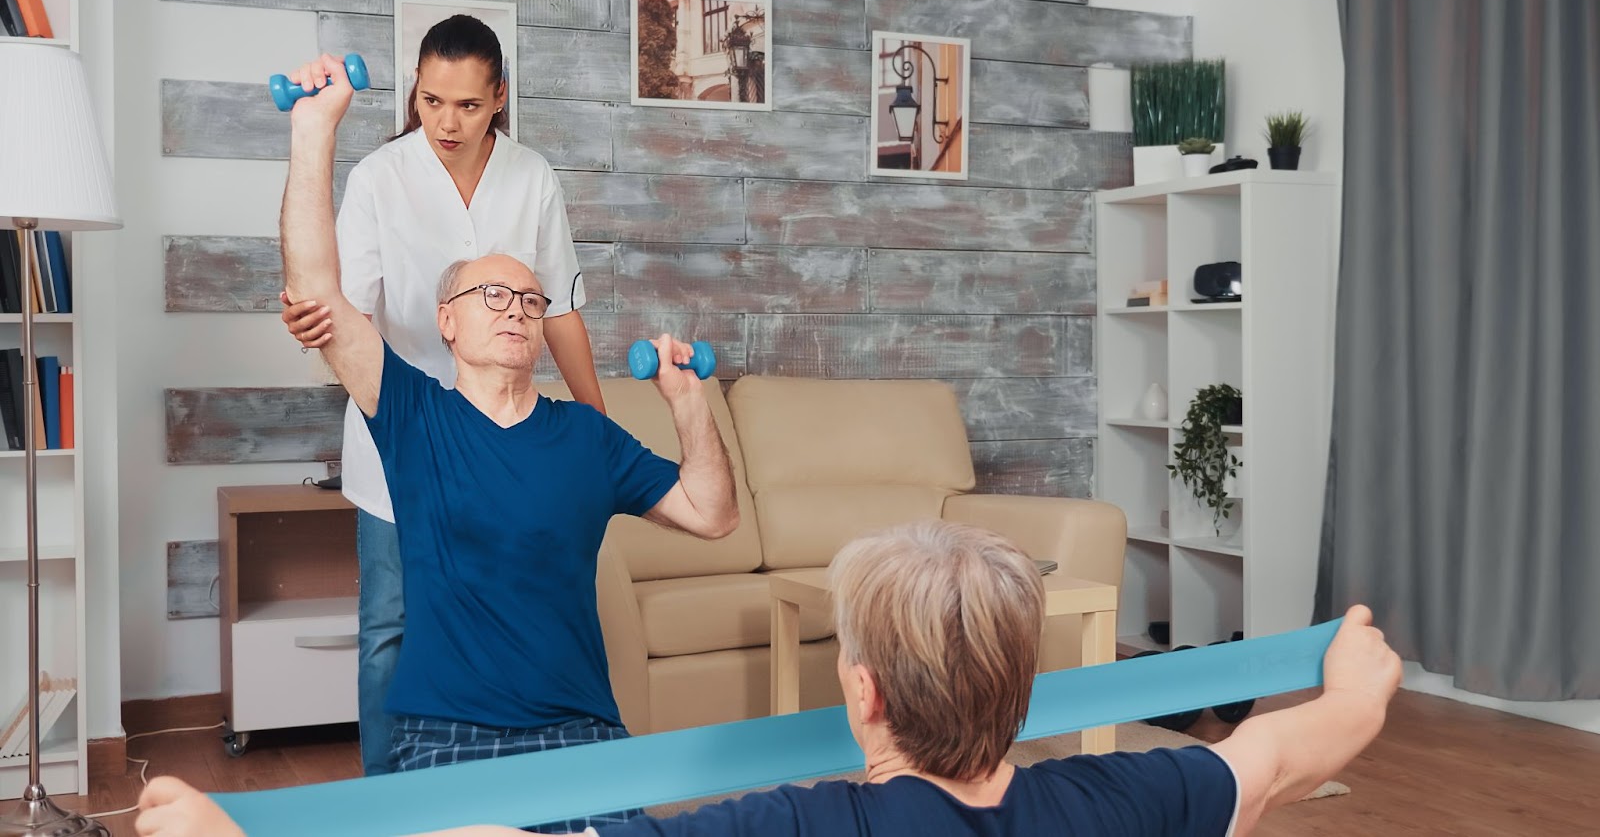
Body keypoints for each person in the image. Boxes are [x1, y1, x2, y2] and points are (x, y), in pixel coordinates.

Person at [135, 521, 1402, 837]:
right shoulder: (1128, 803)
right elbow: (1294, 749)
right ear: (1030, 693)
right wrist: (1353, 667)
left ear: (859, 694)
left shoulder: (797, 821)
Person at [275, 51, 738, 833]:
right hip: (449, 737)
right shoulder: (415, 415)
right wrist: (313, 130)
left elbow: (713, 514)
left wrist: (690, 405)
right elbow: (319, 293)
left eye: (528, 297)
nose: (517, 308)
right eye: (492, 295)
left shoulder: (585, 440)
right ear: (445, 320)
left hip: (582, 735)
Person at [279, 13, 607, 779]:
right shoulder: (379, 177)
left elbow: (557, 309)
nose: (445, 121)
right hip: (402, 430)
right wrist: (313, 318)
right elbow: (345, 308)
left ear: (498, 96)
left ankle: (492, 790)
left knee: (510, 619)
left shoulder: (532, 177)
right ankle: (387, 805)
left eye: (465, 104)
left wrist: (596, 425)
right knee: (390, 626)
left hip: (506, 433)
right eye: (430, 101)